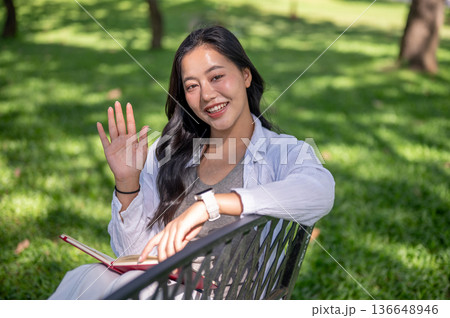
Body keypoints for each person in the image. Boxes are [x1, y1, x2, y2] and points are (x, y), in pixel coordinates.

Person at [49, 25, 334, 300]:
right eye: (192, 86)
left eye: (217, 76)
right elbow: (132, 253)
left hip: (228, 296)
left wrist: (211, 205)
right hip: (163, 283)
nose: (207, 94)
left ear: (246, 75)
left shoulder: (280, 152)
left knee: (137, 289)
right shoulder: (170, 154)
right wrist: (127, 182)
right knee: (85, 278)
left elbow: (320, 191)